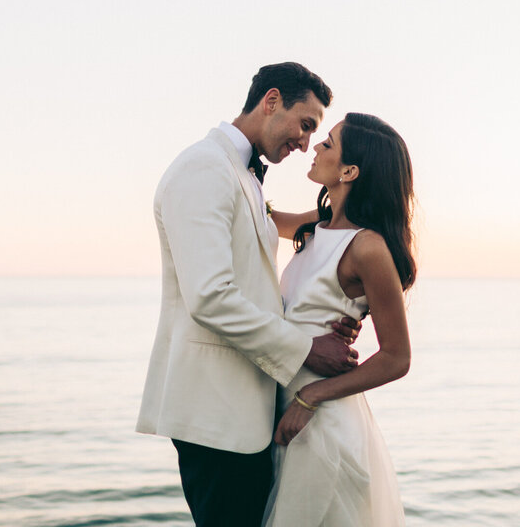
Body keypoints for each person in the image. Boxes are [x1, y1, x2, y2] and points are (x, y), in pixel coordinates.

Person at [137, 62, 361, 527]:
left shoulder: (244, 177)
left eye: (314, 133)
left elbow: (305, 239)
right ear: (271, 101)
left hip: (248, 416)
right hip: (216, 415)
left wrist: (332, 310)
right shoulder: (203, 168)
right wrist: (307, 347)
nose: (305, 144)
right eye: (305, 125)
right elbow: (210, 297)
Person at [263, 112, 417, 526]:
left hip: (322, 418)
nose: (315, 146)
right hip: (286, 410)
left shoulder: (368, 248)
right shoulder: (316, 228)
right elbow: (258, 217)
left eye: (328, 143)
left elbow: (396, 358)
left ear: (349, 171)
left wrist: (312, 397)